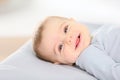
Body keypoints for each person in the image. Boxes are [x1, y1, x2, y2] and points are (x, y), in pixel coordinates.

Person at [33, 16, 120, 80]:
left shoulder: (97, 32)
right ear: (60, 62)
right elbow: (113, 74)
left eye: (66, 29)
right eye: (60, 47)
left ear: (73, 20)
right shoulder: (88, 55)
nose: (68, 39)